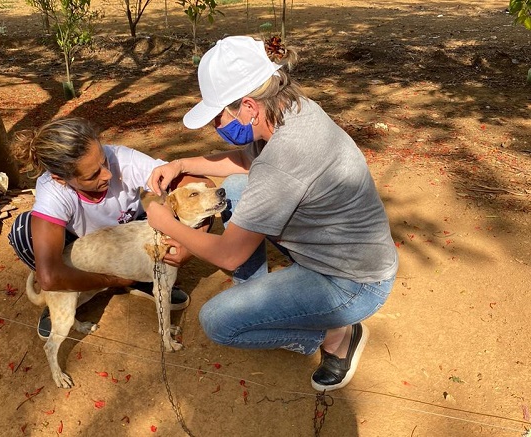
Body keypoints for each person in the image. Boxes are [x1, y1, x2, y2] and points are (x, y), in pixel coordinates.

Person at [145, 36, 398, 391]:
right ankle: (258, 297)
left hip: (351, 283)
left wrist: (166, 222)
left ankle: (336, 337)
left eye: (218, 116)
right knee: (234, 189)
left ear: (248, 107)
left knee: (218, 321)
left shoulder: (284, 160)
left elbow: (229, 254)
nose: (215, 126)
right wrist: (180, 163)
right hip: (340, 250)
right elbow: (245, 160)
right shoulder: (290, 109)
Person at [8, 117, 210, 340]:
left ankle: (143, 278)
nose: (108, 174)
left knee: (150, 227)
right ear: (61, 179)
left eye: (104, 161)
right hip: (87, 246)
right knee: (23, 232)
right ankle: (61, 296)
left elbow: (201, 186)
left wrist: (192, 245)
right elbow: (48, 277)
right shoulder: (52, 189)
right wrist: (112, 280)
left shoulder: (122, 158)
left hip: (130, 233)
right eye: (93, 174)